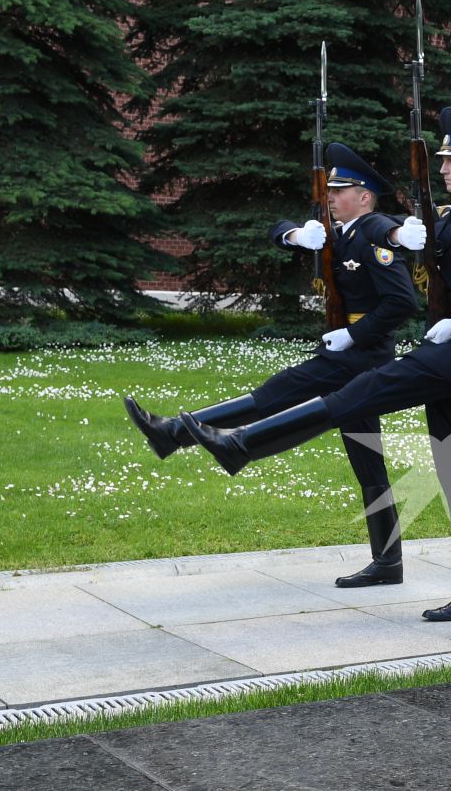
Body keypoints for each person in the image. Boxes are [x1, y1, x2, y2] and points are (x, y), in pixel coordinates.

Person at [181, 108, 451, 622]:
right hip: (448, 352)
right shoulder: (447, 219)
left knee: (360, 392)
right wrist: (398, 237)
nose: (444, 167)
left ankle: (241, 445)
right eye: (442, 159)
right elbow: (381, 233)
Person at [123, 143, 416, 588]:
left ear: (365, 196)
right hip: (354, 355)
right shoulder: (340, 231)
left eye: (342, 190)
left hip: (359, 355)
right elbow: (277, 228)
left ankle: (174, 433)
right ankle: (389, 562)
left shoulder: (372, 229)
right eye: (331, 190)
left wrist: (354, 334)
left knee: (273, 395)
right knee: (367, 460)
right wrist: (298, 236)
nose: (332, 197)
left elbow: (401, 300)